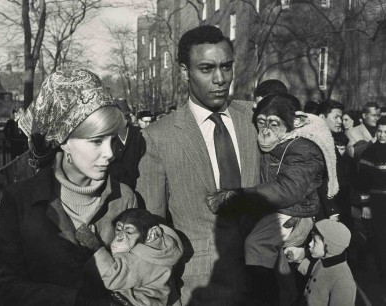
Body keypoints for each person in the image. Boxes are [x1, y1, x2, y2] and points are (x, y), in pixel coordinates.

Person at [0, 68, 137, 306]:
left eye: (112, 140)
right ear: (64, 142)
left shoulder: (124, 197)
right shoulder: (21, 200)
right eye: (96, 141)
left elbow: (137, 278)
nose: (109, 154)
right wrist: (73, 301)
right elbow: (4, 283)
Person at [136, 25, 260, 305]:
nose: (220, 79)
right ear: (184, 72)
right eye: (206, 69)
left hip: (265, 283)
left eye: (226, 67)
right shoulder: (158, 137)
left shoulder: (256, 120)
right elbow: (152, 231)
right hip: (200, 290)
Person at [207, 93, 338, 305]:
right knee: (277, 267)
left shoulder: (305, 146)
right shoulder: (282, 140)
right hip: (281, 211)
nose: (265, 132)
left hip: (293, 212)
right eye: (261, 123)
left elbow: (288, 190)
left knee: (255, 246)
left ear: (295, 122)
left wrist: (237, 197)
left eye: (274, 124)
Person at [76, 208, 183, 306]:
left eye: (129, 232)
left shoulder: (144, 258)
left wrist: (94, 245)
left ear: (151, 235)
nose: (119, 237)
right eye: (118, 230)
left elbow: (111, 276)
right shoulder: (160, 251)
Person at [284, 220, 356, 306]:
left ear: (329, 247)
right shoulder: (325, 259)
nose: (310, 244)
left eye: (315, 241)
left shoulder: (343, 282)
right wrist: (298, 259)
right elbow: (315, 272)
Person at [358, 116, 386, 299]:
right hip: (377, 203)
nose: (383, 135)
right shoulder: (369, 153)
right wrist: (366, 204)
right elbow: (362, 182)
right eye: (380, 132)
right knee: (381, 242)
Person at [109, 100, 144, 190]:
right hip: (118, 188)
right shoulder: (109, 136)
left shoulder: (139, 133)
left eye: (126, 116)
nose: (125, 119)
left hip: (139, 185)